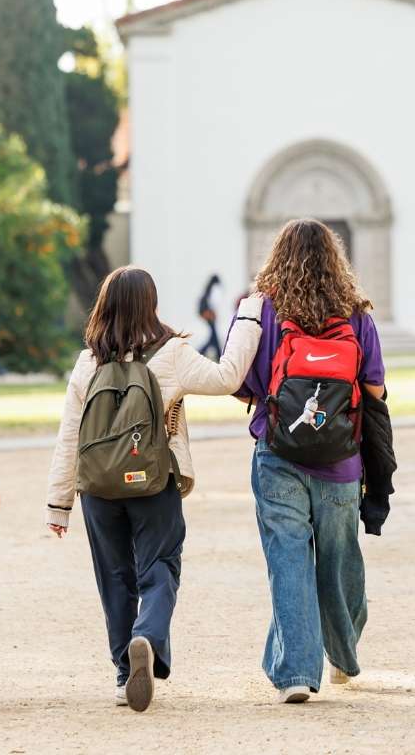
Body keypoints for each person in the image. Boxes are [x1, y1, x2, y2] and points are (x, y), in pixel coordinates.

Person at [45, 266, 262, 712]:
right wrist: (250, 312)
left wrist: (59, 503)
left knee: (114, 578)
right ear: (151, 304)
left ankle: (126, 674)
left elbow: (70, 433)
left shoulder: (88, 361)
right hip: (152, 481)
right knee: (160, 567)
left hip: (99, 489)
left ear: (104, 306)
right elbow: (227, 378)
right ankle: (147, 636)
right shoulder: (173, 354)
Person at [235, 219, 386, 703]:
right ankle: (342, 655)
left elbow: (240, 379)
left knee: (289, 561)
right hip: (342, 462)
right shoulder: (356, 314)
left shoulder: (263, 310)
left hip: (278, 453)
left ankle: (296, 673)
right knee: (340, 561)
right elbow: (375, 388)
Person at [196, 273, 223, 359]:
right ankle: (200, 352)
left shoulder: (208, 289)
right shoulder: (212, 289)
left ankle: (200, 352)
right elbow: (211, 304)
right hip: (209, 316)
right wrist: (211, 314)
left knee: (213, 338)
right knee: (213, 337)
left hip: (209, 315)